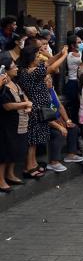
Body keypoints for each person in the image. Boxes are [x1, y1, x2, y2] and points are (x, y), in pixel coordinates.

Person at [17, 43, 67, 179]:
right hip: (37, 109)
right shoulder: (34, 72)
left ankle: (32, 164)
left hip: (37, 108)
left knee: (33, 140)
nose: (39, 57)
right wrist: (65, 56)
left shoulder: (24, 70)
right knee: (32, 141)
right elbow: (52, 67)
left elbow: (49, 62)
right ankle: (29, 167)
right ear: (31, 58)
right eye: (37, 55)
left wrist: (59, 54)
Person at [0, 58, 30, 191]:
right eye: (13, 66)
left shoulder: (15, 83)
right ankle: (1, 180)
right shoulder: (3, 87)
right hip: (7, 123)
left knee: (15, 149)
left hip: (20, 121)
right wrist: (24, 104)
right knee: (5, 151)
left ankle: (10, 174)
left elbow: (24, 96)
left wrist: (27, 104)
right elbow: (6, 106)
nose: (16, 68)